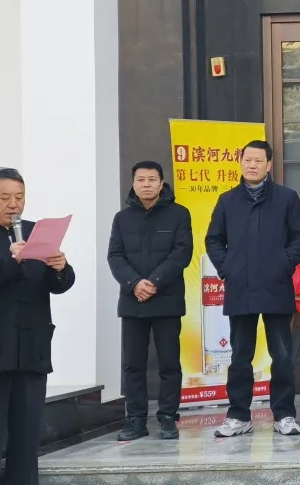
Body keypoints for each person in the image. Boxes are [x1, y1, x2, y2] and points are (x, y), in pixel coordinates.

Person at [0, 167, 75, 484]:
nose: (13, 204)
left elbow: (57, 284)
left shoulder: (36, 232)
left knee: (27, 441)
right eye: (4, 198)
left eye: (19, 197)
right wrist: (10, 262)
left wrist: (61, 268)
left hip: (31, 351)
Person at [205, 140, 300, 438]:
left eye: (258, 160)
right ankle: (238, 416)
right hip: (240, 287)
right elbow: (213, 239)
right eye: (247, 159)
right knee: (240, 356)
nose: (252, 165)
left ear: (269, 165)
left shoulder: (286, 198)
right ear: (240, 162)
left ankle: (284, 414)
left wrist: (284, 263)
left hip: (276, 286)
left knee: (282, 355)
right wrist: (228, 268)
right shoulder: (228, 200)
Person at [107, 161, 193, 441]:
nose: (146, 184)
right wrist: (134, 283)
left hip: (166, 299)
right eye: (141, 179)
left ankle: (168, 416)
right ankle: (135, 419)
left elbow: (182, 253)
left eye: (151, 179)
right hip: (133, 300)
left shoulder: (179, 214)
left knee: (169, 363)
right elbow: (115, 256)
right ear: (133, 184)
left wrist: (154, 281)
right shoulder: (122, 218)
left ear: (161, 183)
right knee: (133, 364)